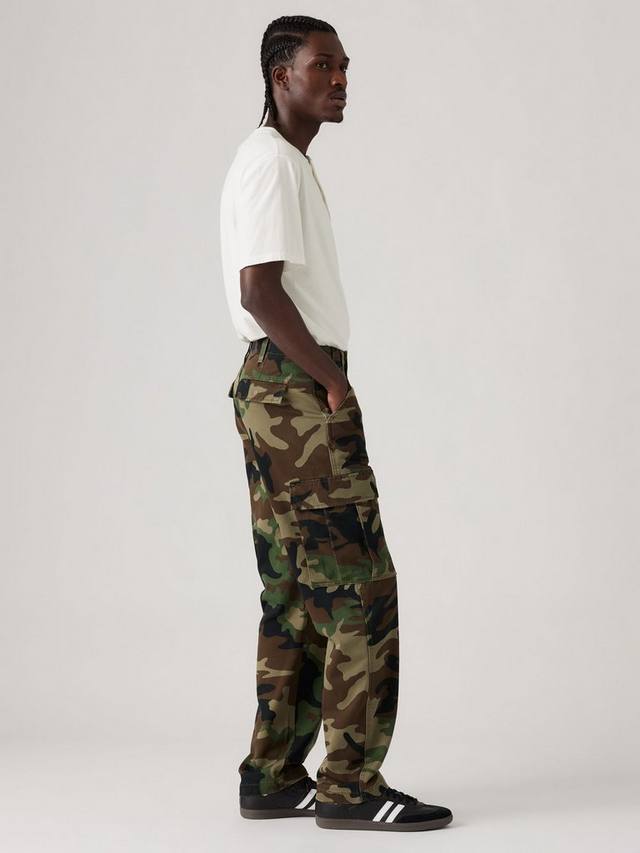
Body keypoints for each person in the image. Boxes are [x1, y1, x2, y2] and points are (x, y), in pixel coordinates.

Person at [219, 15, 453, 832]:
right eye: (324, 66)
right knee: (358, 585)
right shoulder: (270, 163)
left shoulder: (281, 161)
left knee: (294, 591)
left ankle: (274, 776)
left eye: (346, 66)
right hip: (295, 390)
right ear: (280, 74)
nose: (341, 79)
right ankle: (351, 783)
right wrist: (331, 380)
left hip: (273, 387)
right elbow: (258, 289)